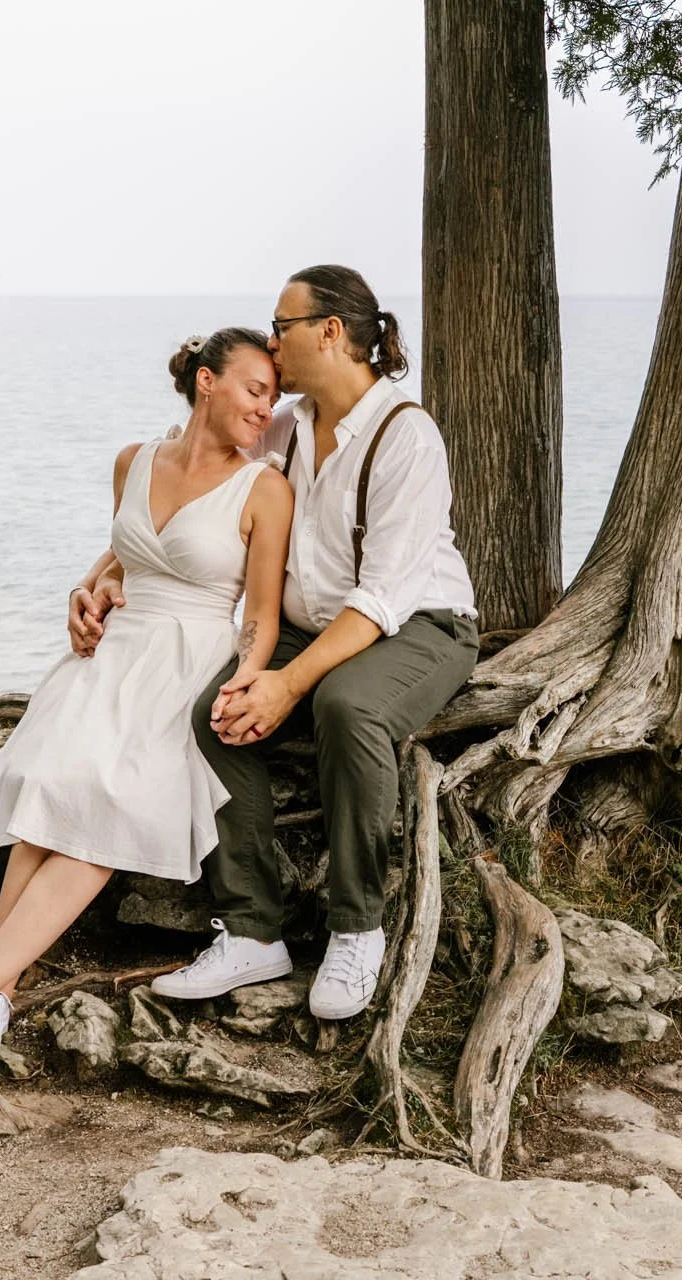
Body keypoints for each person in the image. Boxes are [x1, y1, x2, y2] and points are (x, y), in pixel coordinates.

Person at [84, 265, 480, 1021]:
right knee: (215, 712)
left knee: (349, 707)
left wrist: (287, 682)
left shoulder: (407, 435)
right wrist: (108, 570)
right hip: (315, 624)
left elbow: (382, 599)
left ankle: (356, 926)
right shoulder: (288, 424)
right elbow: (196, 469)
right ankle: (252, 930)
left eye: (282, 325)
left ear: (330, 332)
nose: (272, 341)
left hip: (419, 622)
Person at [0, 327, 293, 1074]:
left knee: (106, 808)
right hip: (114, 654)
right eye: (252, 388)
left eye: (271, 396)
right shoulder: (133, 461)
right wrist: (84, 592)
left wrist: (249, 678)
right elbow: (123, 556)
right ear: (206, 381)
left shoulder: (264, 487)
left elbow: (262, 616)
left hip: (188, 660)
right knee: (46, 787)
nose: (264, 408)